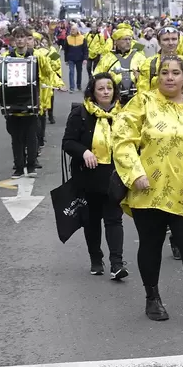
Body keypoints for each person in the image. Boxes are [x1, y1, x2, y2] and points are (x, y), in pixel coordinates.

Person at [112, 56, 183, 324]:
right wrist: (134, 172)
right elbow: (122, 138)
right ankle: (152, 298)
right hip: (150, 190)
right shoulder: (143, 102)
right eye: (164, 73)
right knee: (151, 245)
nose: (169, 77)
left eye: (175, 73)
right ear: (157, 76)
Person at [62, 73, 128, 279]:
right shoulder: (80, 113)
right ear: (93, 91)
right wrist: (84, 152)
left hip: (114, 175)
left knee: (114, 219)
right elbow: (68, 142)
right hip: (88, 176)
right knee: (91, 220)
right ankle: (96, 258)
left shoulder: (124, 115)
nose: (106, 92)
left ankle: (116, 263)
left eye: (109, 88)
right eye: (101, 88)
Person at [0, 27, 58, 178]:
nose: (20, 40)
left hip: (31, 102)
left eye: (23, 37)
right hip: (12, 102)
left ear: (28, 38)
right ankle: (18, 167)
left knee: (31, 136)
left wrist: (53, 85)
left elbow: (48, 72)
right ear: (13, 40)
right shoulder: (6, 56)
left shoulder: (37, 56)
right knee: (15, 138)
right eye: (17, 37)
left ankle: (31, 166)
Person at [95, 26, 141, 105]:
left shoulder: (140, 57)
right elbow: (96, 77)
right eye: (125, 39)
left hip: (136, 99)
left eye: (129, 39)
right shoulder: (107, 58)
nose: (128, 42)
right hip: (113, 100)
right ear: (116, 42)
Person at [62, 24, 88, 92]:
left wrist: (85, 59)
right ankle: (72, 87)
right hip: (71, 58)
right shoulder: (68, 38)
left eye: (74, 29)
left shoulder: (82, 38)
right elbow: (66, 50)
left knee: (79, 72)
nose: (72, 30)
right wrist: (66, 60)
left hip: (80, 58)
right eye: (71, 29)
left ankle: (78, 85)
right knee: (71, 72)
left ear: (77, 30)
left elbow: (85, 49)